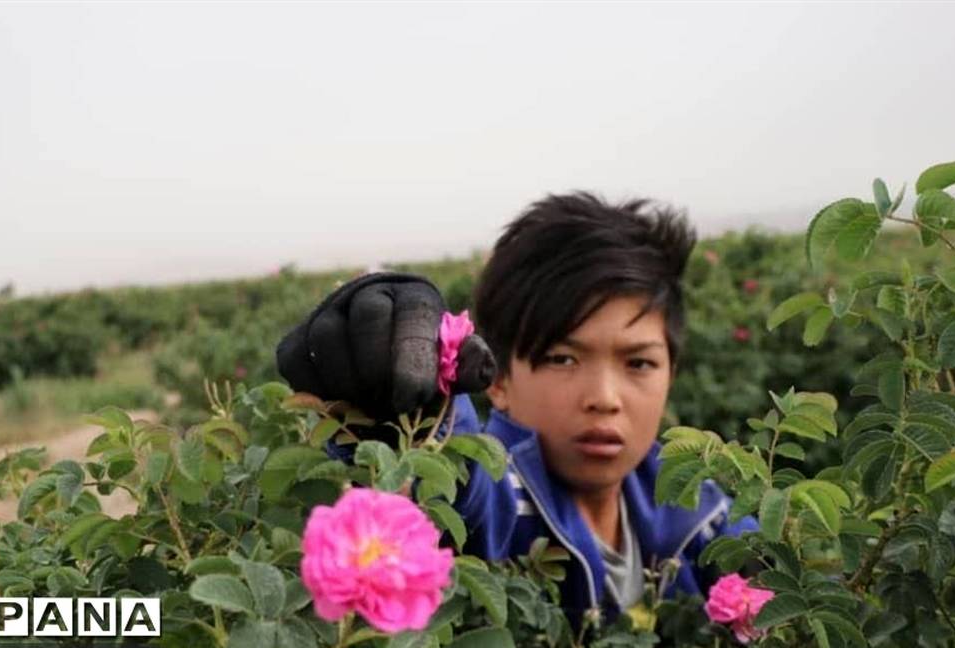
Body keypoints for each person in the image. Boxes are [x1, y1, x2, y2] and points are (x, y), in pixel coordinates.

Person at [276, 192, 758, 623]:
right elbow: (462, 487)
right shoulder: (502, 500)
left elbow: (772, 571)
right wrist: (404, 415)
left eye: (639, 362)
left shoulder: (697, 506)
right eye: (562, 358)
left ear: (672, 373)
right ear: (498, 378)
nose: (605, 398)